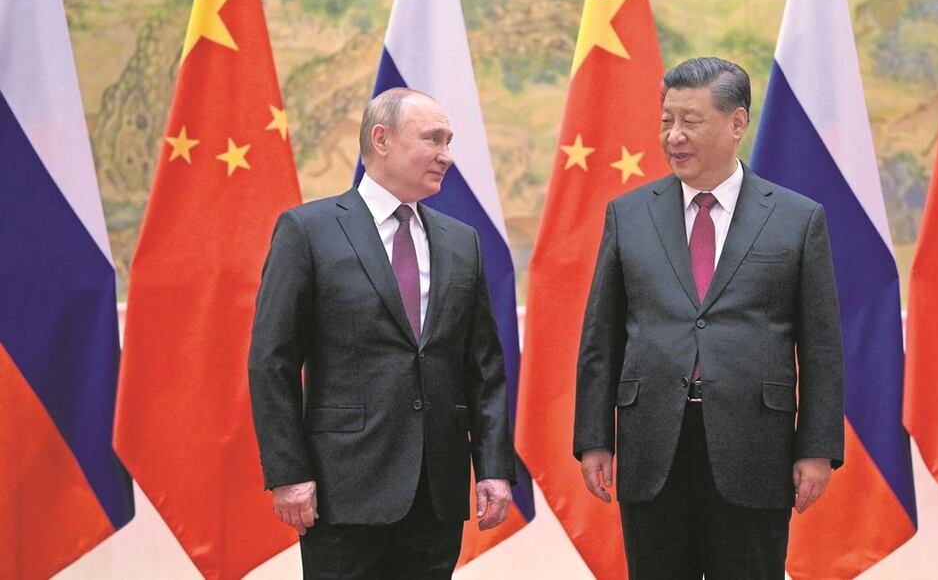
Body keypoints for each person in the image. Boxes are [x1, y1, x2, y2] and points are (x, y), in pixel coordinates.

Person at [573, 57, 844, 579]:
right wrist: (593, 437)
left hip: (754, 446)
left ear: (736, 123)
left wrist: (817, 449)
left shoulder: (796, 218)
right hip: (652, 441)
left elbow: (822, 347)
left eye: (690, 121)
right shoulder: (628, 215)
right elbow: (600, 338)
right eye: (666, 120)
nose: (673, 136)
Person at [249, 87, 515, 579]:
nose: (446, 156)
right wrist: (288, 474)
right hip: (342, 485)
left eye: (449, 141)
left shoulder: (462, 242)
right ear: (382, 139)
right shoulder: (309, 231)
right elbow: (272, 362)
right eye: (433, 139)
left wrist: (495, 466)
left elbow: (484, 368)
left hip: (436, 488)